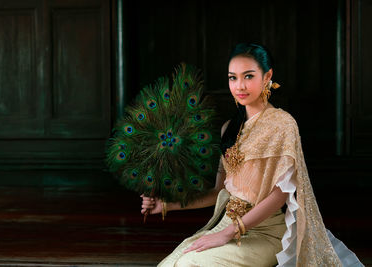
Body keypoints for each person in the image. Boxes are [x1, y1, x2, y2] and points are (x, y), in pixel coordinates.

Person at [141, 43, 363, 267]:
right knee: (171, 264)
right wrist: (167, 205)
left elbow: (279, 196)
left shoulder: (282, 124)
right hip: (224, 225)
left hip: (265, 233)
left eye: (248, 76)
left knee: (191, 264)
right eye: (233, 78)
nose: (239, 86)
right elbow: (220, 192)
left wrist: (227, 234)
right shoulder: (229, 127)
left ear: (267, 76)